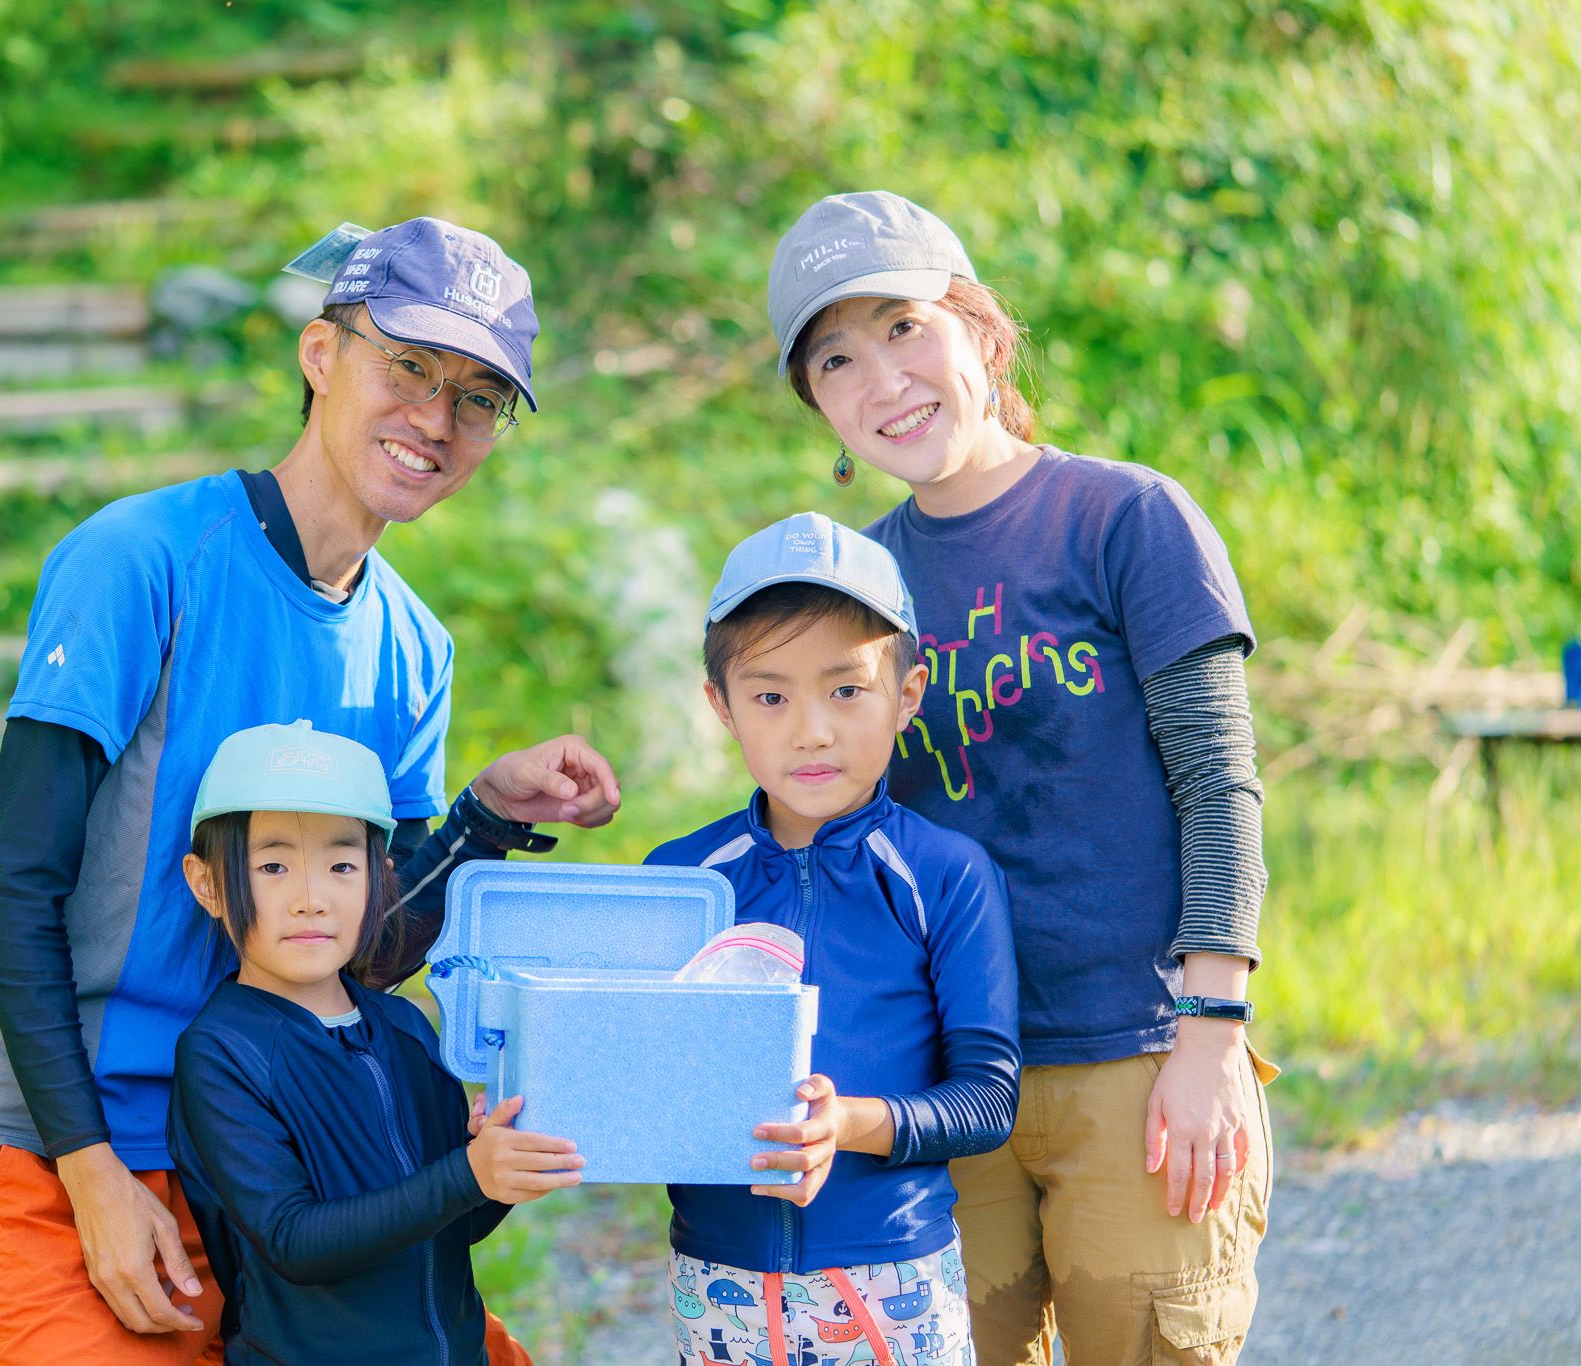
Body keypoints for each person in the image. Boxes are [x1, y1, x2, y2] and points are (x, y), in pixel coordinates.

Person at [0, 216, 620, 1366]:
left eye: (478, 398)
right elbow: (15, 880)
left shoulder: (412, 648)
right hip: (70, 1135)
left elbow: (361, 949)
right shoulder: (139, 558)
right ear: (319, 355)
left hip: (280, 1138)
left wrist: (487, 818)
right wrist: (92, 1172)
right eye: (408, 366)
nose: (435, 420)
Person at [766, 192, 1277, 1363]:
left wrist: (1208, 1030)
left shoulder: (1125, 517)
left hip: (1138, 1057)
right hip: (951, 1079)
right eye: (836, 359)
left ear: (980, 335)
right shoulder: (858, 588)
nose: (882, 379)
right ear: (822, 409)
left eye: (902, 329)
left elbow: (1218, 785)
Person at [645, 513, 1021, 1366]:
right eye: (771, 695)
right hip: (717, 1279)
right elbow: (647, 1071)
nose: (810, 729)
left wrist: (849, 1123)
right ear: (722, 706)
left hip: (893, 1280)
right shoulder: (686, 879)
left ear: (908, 693)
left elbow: (988, 1097)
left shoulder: (945, 874)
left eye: (846, 689)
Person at [167, 721, 584, 1365]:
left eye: (341, 865)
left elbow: (454, 1223)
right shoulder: (222, 1053)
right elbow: (293, 1240)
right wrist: (463, 1175)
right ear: (209, 884)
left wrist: (493, 1171)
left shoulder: (406, 1028)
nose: (311, 899)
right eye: (273, 866)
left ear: (378, 879)